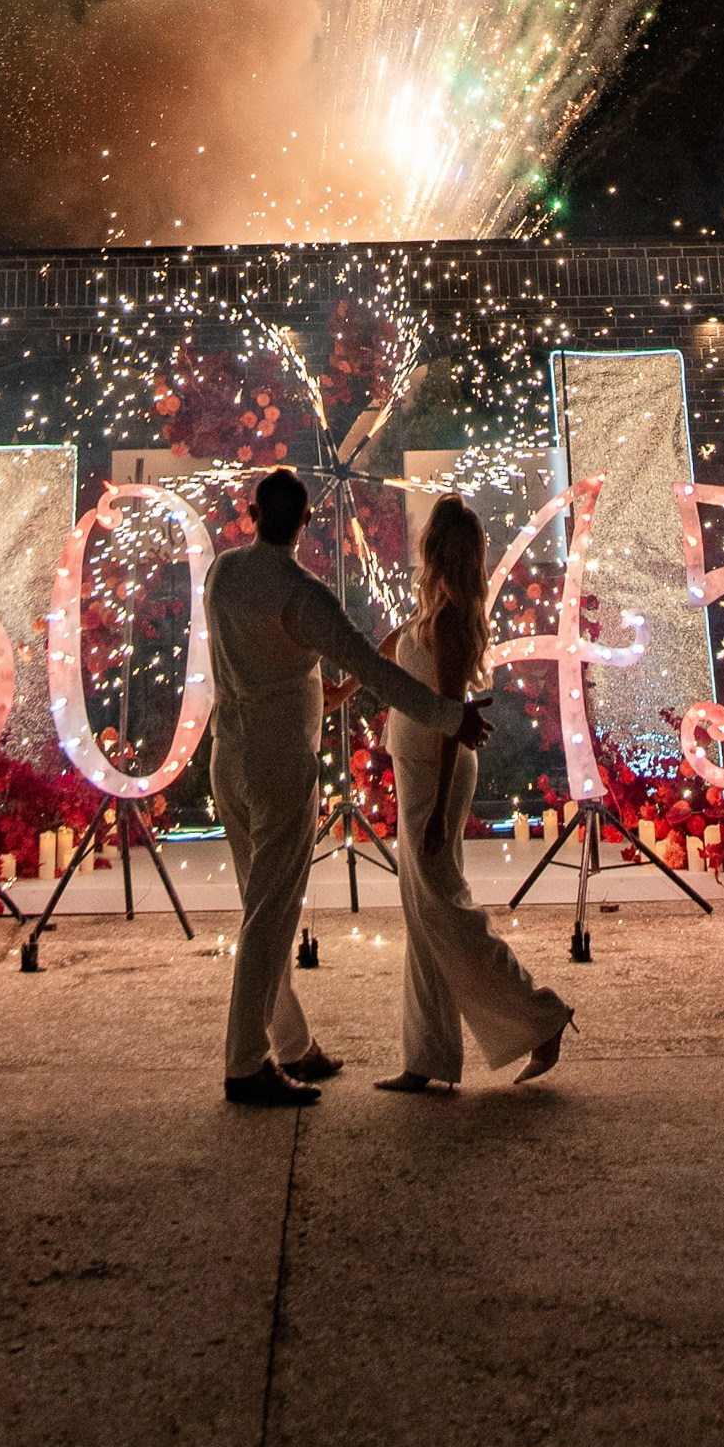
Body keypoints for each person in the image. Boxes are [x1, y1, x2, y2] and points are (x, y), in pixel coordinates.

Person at [205, 466, 484, 1107]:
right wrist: (452, 716)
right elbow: (373, 670)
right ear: (305, 522)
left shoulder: (223, 573)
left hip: (228, 756)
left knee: (260, 905)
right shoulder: (302, 594)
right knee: (270, 915)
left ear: (252, 514)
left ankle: (294, 1044)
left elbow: (254, 654)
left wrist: (310, 691)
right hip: (276, 768)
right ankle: (246, 1064)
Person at [377, 492, 573, 1095]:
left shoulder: (451, 619)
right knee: (424, 915)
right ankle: (427, 1056)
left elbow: (449, 717)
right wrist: (338, 688)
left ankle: (541, 1016)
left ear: (435, 549)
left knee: (446, 910)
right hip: (412, 768)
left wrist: (437, 811)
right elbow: (383, 657)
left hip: (435, 774)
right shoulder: (427, 613)